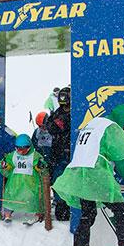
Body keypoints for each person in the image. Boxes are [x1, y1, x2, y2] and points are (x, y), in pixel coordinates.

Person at [53, 104, 124, 246]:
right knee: (120, 210)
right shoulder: (111, 127)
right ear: (122, 118)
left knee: (87, 214)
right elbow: (120, 160)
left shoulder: (93, 124)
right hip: (96, 172)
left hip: (80, 173)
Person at [0, 134, 48, 223]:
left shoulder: (35, 156)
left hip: (31, 183)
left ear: (29, 147)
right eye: (18, 149)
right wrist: (5, 165)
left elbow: (42, 169)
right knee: (10, 197)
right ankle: (7, 214)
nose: (21, 152)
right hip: (15, 183)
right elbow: (7, 164)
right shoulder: (13, 155)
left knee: (34, 197)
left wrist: (40, 166)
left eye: (23, 149)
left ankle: (38, 214)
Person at [45, 87, 72, 220]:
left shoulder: (75, 112)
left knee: (70, 181)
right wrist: (59, 125)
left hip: (71, 153)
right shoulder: (58, 112)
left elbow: (66, 126)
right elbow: (50, 126)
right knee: (58, 179)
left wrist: (61, 125)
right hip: (58, 153)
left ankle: (69, 206)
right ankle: (61, 207)